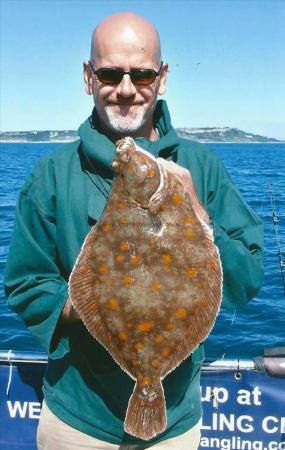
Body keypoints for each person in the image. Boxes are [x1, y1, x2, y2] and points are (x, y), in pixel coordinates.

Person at [4, 11, 264, 450]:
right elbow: (25, 284)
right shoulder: (51, 174)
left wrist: (198, 213)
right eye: (109, 73)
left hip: (175, 425)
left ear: (161, 78)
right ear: (89, 77)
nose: (126, 89)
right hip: (76, 421)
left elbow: (248, 279)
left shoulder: (202, 167)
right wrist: (93, 307)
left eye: (141, 74)